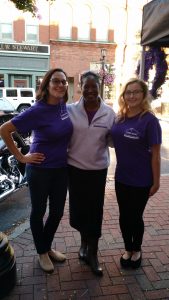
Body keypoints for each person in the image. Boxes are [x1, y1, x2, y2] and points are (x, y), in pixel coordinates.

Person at [0, 68, 73, 273]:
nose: (60, 85)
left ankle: (46, 247)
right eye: (56, 81)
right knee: (39, 212)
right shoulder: (37, 110)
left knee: (57, 212)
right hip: (40, 170)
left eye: (64, 82)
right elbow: (5, 130)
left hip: (61, 169)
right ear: (47, 85)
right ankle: (42, 252)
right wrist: (21, 157)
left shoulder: (62, 106)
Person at [67, 70, 116, 276]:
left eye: (93, 86)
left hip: (97, 171)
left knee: (94, 212)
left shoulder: (109, 113)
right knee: (78, 212)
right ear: (80, 87)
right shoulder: (69, 110)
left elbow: (113, 142)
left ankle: (93, 254)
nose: (89, 90)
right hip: (74, 169)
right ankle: (83, 245)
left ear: (99, 88)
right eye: (85, 86)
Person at [111, 78, 162, 269]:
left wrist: (156, 182)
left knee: (135, 216)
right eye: (128, 92)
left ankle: (137, 249)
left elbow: (156, 155)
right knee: (124, 216)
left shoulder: (149, 120)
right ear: (123, 96)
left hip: (142, 179)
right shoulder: (120, 117)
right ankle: (128, 248)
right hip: (121, 177)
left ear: (143, 95)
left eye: (136, 92)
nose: (131, 96)